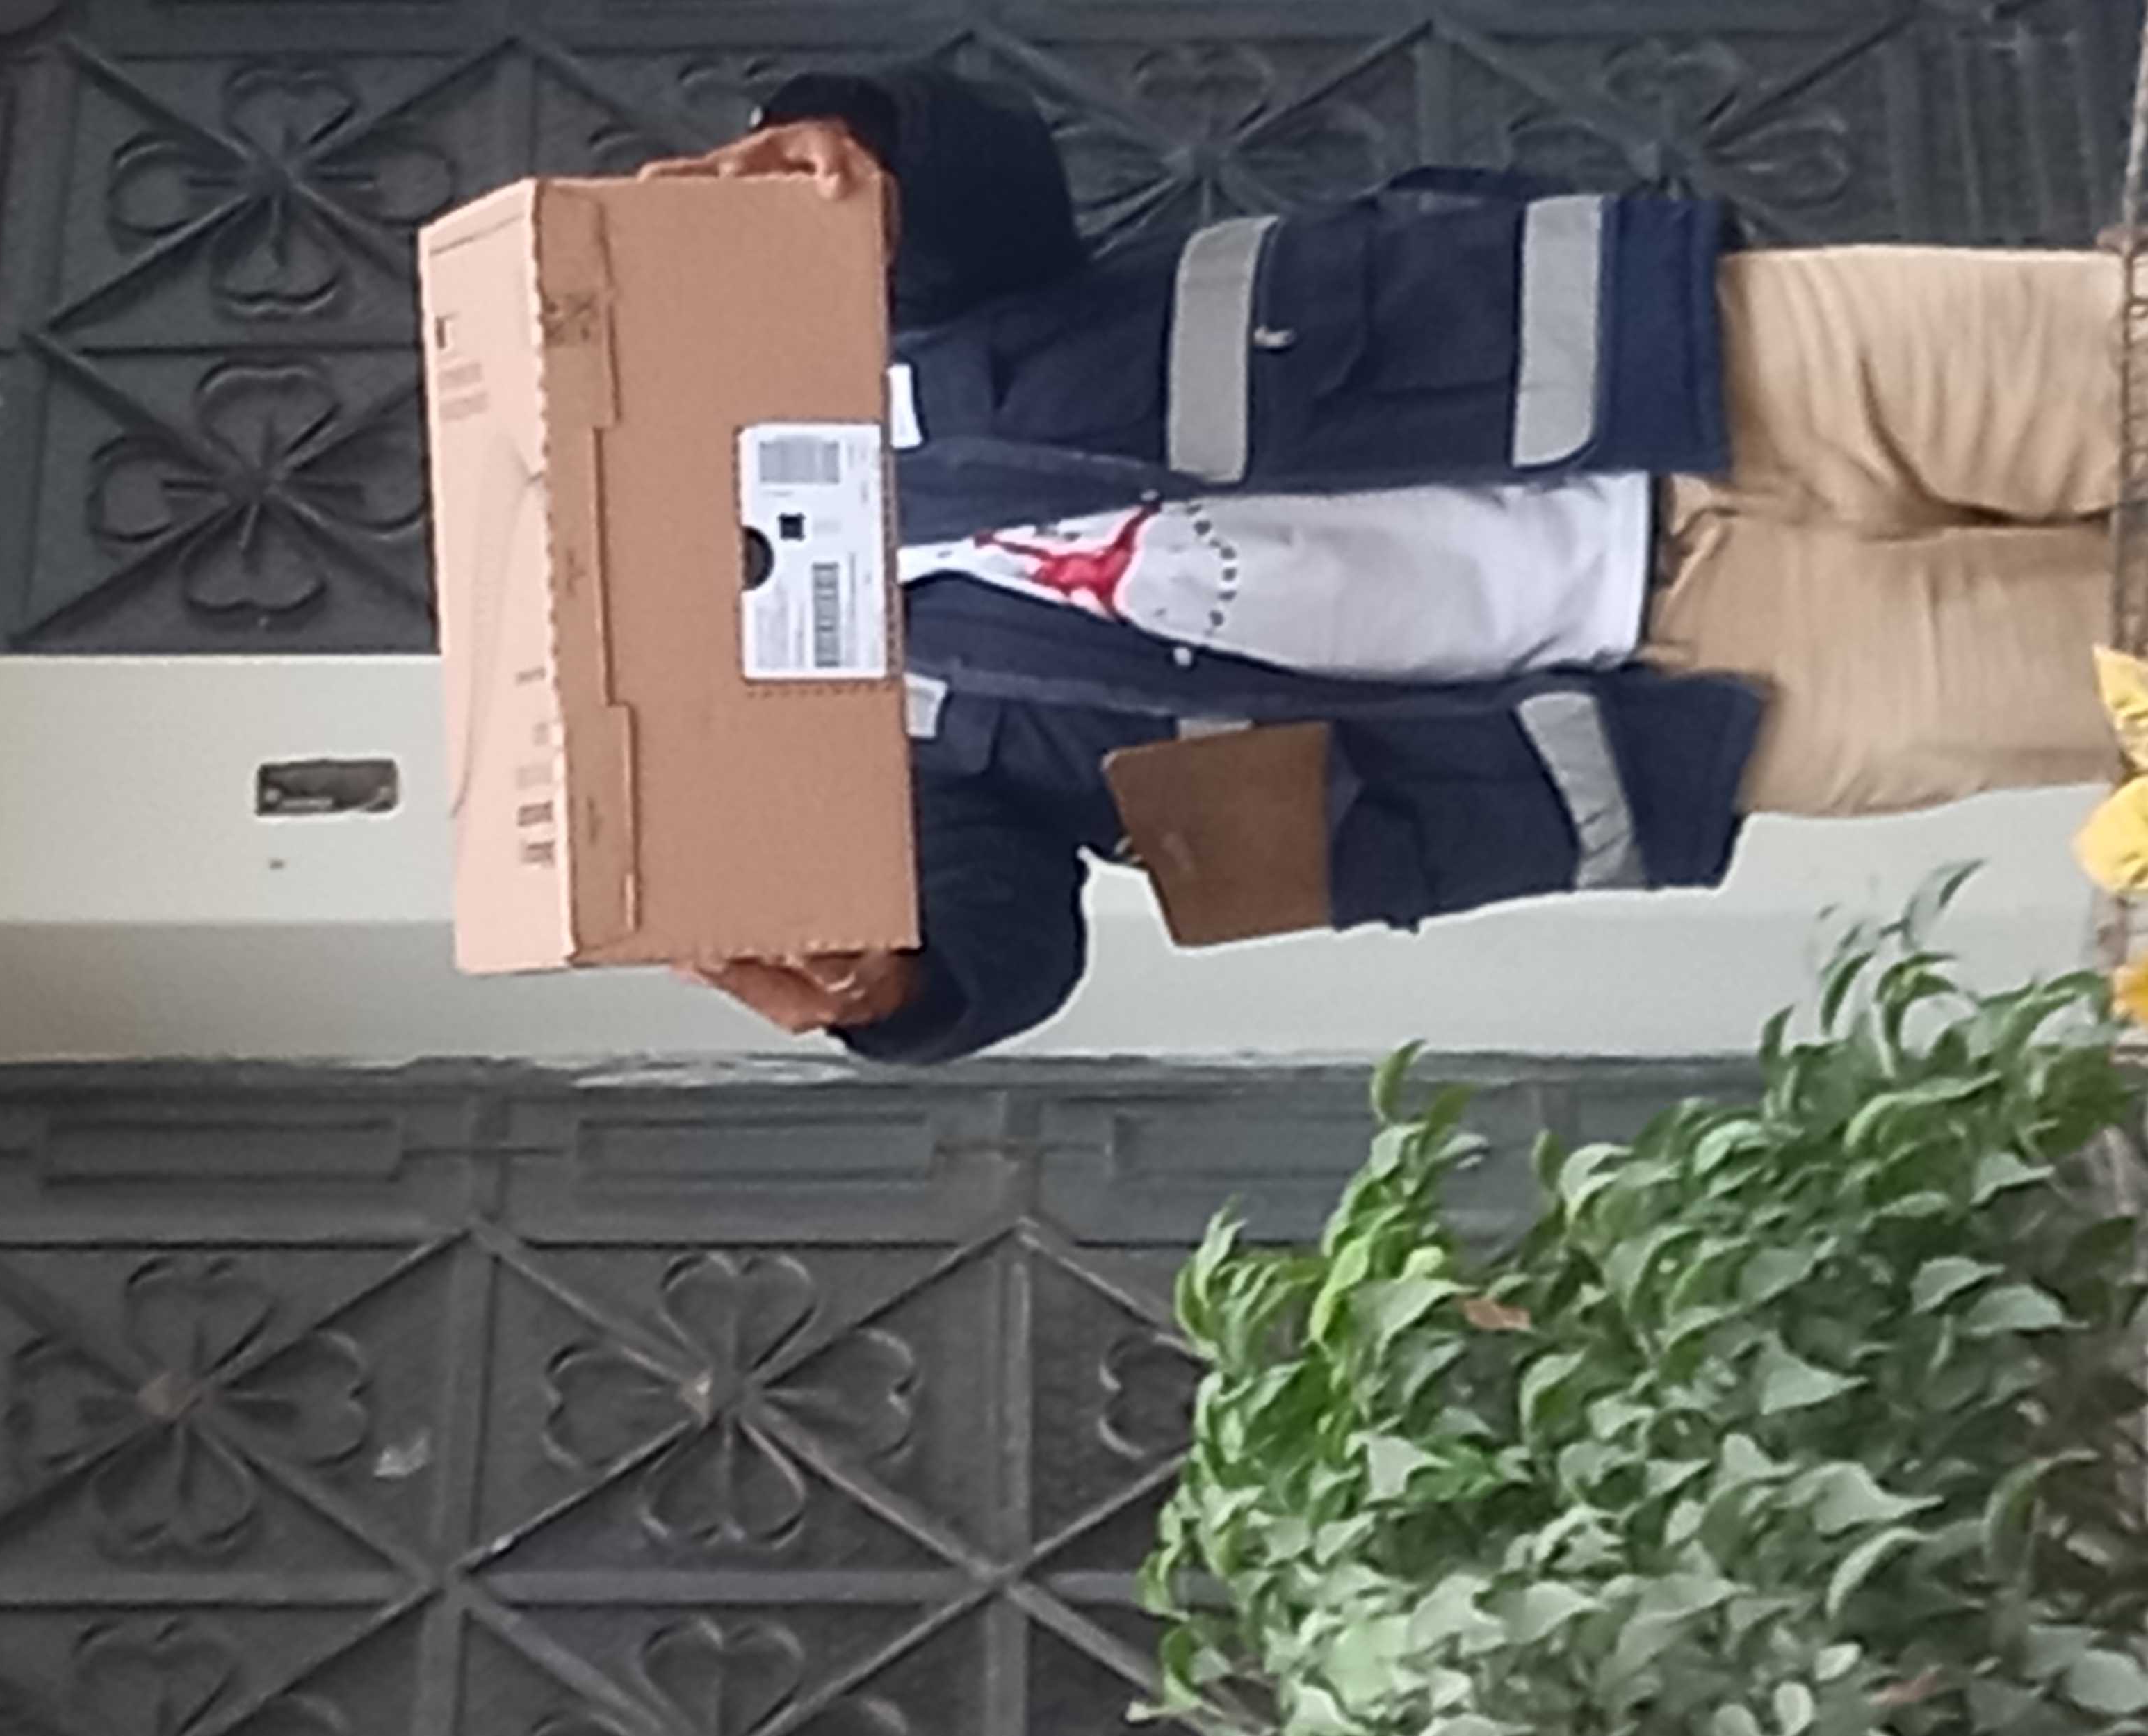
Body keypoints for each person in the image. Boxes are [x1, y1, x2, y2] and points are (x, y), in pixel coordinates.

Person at [639, 63, 2126, 1063]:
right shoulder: (820, 789)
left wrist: (854, 141)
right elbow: (1009, 938)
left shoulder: (799, 339)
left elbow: (992, 175)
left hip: (1707, 377)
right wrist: (887, 989)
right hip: (1704, 685)